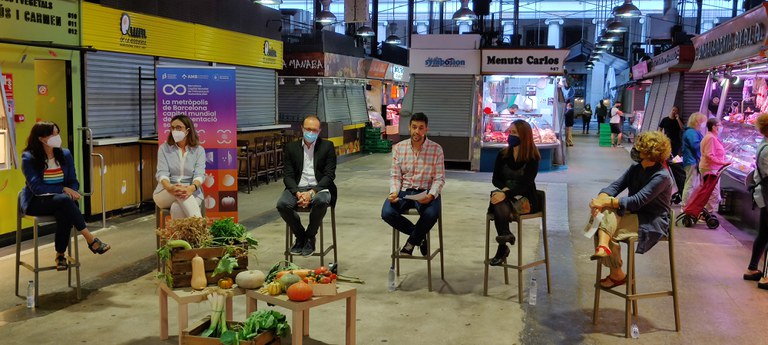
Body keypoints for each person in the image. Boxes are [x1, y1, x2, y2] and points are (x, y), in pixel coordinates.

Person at [588, 131, 673, 288]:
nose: (636, 151)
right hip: (633, 213)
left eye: (639, 148)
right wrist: (600, 200)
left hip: (651, 221)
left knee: (602, 224)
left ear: (649, 153)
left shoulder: (662, 176)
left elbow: (636, 201)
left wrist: (605, 202)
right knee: (606, 212)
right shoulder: (636, 168)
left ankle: (615, 270)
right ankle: (605, 249)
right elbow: (615, 186)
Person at [21, 122, 110, 271]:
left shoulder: (65, 154)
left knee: (66, 206)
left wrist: (72, 191)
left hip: (60, 202)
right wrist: (64, 189)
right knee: (65, 201)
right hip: (37, 201)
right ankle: (90, 240)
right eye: (53, 134)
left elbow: (73, 181)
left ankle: (60, 256)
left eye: (58, 133)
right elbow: (36, 187)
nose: (58, 137)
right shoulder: (29, 157)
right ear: (42, 139)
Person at [381, 112, 445, 256]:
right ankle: (420, 237)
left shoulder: (436, 149)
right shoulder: (399, 148)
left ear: (426, 129)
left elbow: (439, 178)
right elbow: (396, 176)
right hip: (404, 191)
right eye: (414, 127)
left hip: (426, 191)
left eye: (421, 128)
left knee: (431, 214)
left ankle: (410, 244)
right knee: (387, 213)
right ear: (409, 127)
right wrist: (394, 192)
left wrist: (431, 195)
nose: (417, 131)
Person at [277, 115, 337, 257]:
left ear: (319, 131)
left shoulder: (327, 147)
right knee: (282, 205)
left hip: (320, 187)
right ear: (302, 129)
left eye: (314, 130)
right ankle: (301, 236)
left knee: (321, 201)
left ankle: (310, 236)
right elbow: (288, 175)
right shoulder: (291, 148)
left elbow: (329, 175)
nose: (311, 132)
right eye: (308, 129)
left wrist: (311, 193)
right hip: (298, 188)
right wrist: (298, 193)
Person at [488, 120, 541, 266]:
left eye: (514, 133)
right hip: (505, 197)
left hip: (525, 199)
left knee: (497, 200)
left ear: (524, 136)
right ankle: (505, 236)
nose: (510, 136)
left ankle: (502, 247)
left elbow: (526, 184)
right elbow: (495, 179)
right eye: (510, 132)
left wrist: (506, 193)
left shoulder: (532, 157)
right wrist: (505, 190)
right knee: (497, 199)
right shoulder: (503, 154)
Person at [153, 114, 205, 220]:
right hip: (165, 192)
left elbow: (199, 174)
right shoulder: (164, 149)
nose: (174, 131)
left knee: (177, 208)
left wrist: (192, 188)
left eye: (178, 128)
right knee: (180, 192)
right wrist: (169, 187)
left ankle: (181, 236)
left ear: (188, 130)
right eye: (172, 128)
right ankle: (201, 230)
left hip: (192, 191)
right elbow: (162, 173)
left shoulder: (199, 150)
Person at [746, 113, 768, 290]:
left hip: (764, 195)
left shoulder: (764, 144)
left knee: (763, 234)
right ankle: (766, 277)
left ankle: (753, 269)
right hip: (767, 194)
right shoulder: (767, 149)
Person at [699, 118, 729, 213]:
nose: (721, 127)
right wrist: (722, 163)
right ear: (713, 127)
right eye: (719, 125)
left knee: (711, 191)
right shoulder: (711, 138)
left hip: (711, 168)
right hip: (710, 168)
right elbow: (709, 155)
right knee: (713, 192)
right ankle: (707, 214)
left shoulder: (712, 137)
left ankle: (706, 212)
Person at [680, 112, 707, 207]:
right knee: (690, 184)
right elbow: (696, 146)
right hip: (692, 161)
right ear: (697, 122)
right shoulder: (692, 132)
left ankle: (688, 205)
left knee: (693, 184)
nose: (704, 124)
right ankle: (685, 206)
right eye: (702, 121)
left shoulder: (692, 132)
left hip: (692, 161)